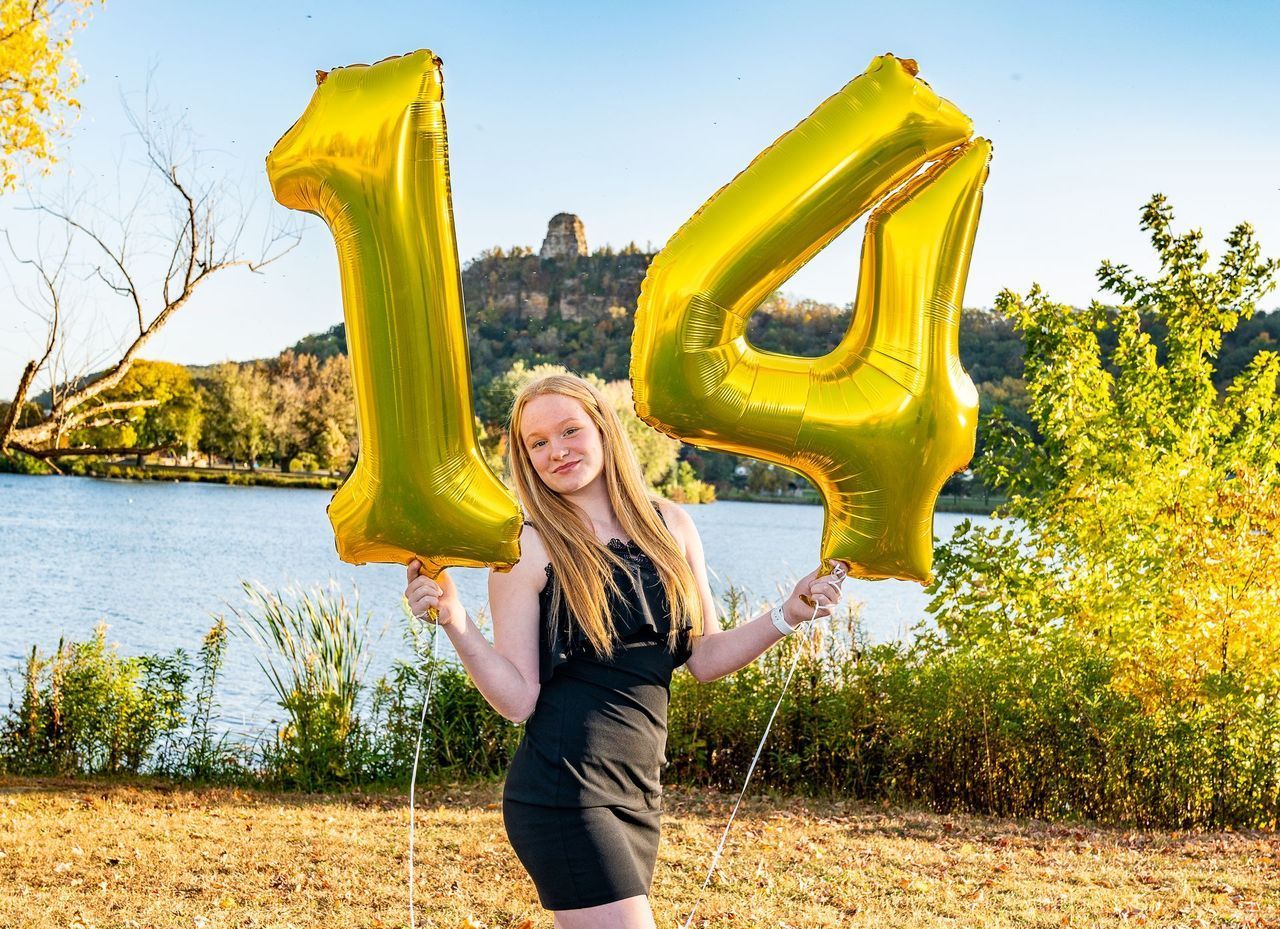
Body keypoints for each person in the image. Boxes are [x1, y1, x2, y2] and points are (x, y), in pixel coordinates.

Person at [404, 372, 844, 929]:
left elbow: (703, 658)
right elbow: (517, 700)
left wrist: (789, 612)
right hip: (563, 792)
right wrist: (456, 620)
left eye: (569, 430)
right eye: (536, 443)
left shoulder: (671, 526)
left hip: (640, 794)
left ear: (604, 429)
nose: (556, 451)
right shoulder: (526, 546)